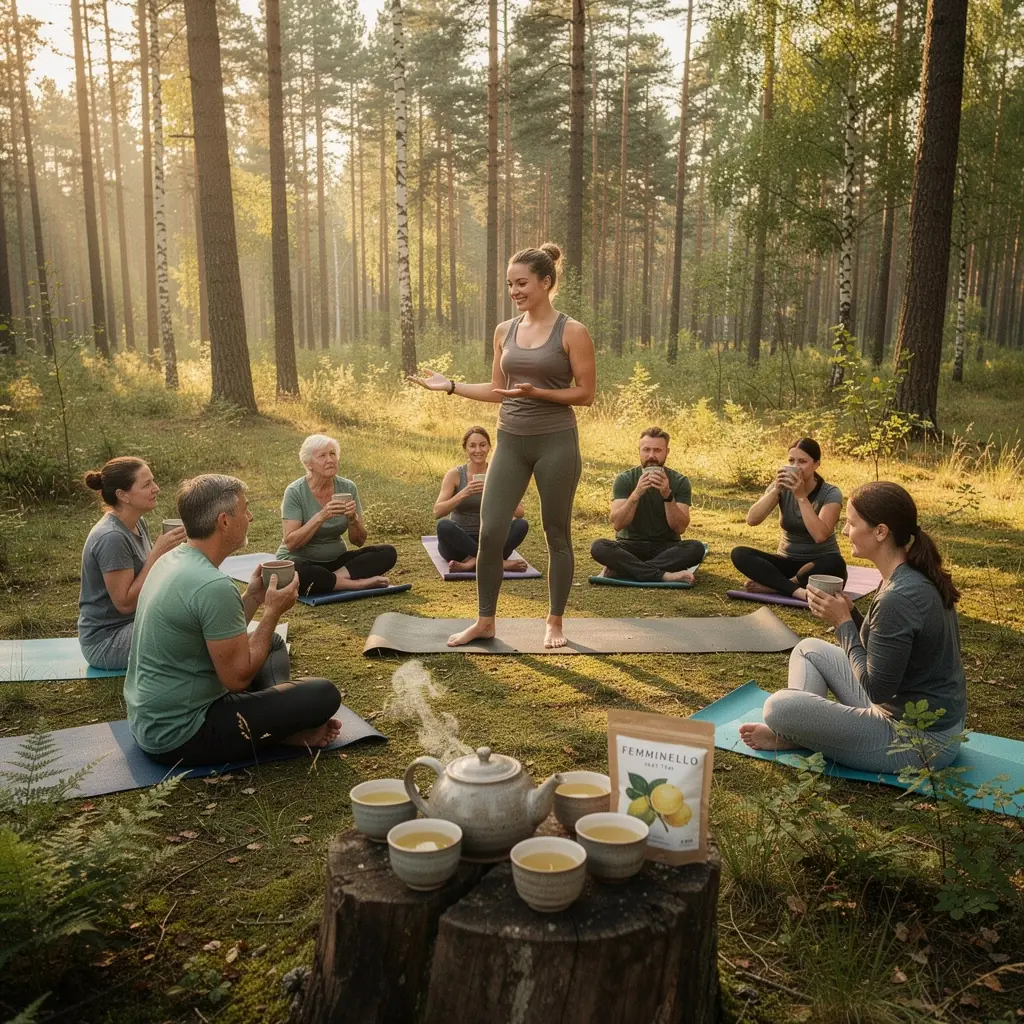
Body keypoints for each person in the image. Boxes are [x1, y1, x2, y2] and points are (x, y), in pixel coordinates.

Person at [409, 242, 596, 648]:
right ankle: (485, 621)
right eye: (510, 284)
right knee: (491, 533)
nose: (514, 291)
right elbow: (499, 391)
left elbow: (586, 394)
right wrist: (452, 386)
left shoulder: (573, 331)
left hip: (556, 442)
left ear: (546, 282)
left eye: (522, 283)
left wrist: (540, 393)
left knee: (555, 532)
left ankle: (555, 622)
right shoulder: (505, 331)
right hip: (510, 441)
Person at [739, 482, 967, 773]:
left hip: (917, 740)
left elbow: (877, 690)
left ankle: (797, 733)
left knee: (778, 708)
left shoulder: (899, 595)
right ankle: (799, 733)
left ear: (881, 532)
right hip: (913, 713)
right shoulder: (907, 573)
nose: (845, 531)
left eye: (850, 523)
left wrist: (842, 623)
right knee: (807, 650)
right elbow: (888, 646)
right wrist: (852, 612)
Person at [124, 474, 342, 767]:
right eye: (246, 509)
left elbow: (211, 629)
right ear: (224, 521)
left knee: (273, 643)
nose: (250, 517)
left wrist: (252, 597)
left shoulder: (172, 559)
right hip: (183, 735)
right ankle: (285, 726)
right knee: (325, 694)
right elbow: (237, 679)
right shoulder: (212, 585)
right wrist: (272, 612)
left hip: (148, 722)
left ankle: (283, 722)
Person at [78, 457, 185, 670]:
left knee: (191, 616)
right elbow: (125, 604)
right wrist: (157, 554)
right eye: (146, 485)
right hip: (108, 641)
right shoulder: (112, 537)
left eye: (153, 481)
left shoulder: (137, 523)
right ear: (122, 495)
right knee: (189, 632)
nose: (156, 488)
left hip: (135, 624)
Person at [277, 434, 397, 597]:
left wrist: (353, 519)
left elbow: (359, 541)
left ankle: (330, 581)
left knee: (387, 552)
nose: (330, 459)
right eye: (322, 455)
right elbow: (291, 543)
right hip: (301, 561)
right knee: (299, 572)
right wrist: (322, 516)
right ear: (308, 464)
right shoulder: (295, 492)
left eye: (332, 454)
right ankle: (357, 584)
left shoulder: (348, 487)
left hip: (337, 564)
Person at [731, 438, 846, 601]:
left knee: (836, 563)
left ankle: (777, 586)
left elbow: (820, 535)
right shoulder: (781, 487)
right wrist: (776, 489)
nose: (795, 466)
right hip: (785, 562)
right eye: (791, 461)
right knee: (739, 554)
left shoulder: (830, 493)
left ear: (816, 464)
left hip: (817, 566)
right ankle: (794, 589)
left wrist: (801, 497)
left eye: (802, 461)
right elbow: (752, 520)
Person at [590, 427, 706, 583]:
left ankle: (624, 571)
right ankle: (663, 575)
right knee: (599, 547)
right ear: (639, 451)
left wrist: (667, 494)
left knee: (696, 549)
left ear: (667, 452)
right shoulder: (625, 479)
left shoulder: (680, 481)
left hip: (666, 548)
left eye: (657, 450)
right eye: (646, 450)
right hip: (630, 547)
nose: (651, 456)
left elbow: (679, 528)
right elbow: (618, 524)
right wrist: (636, 494)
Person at [433, 425, 529, 573]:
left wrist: (498, 493)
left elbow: (520, 513)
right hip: (459, 545)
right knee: (444, 526)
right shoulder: (456, 475)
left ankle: (473, 562)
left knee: (521, 525)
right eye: (472, 446)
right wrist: (464, 493)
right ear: (465, 449)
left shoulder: (500, 475)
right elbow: (437, 512)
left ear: (490, 447)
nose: (478, 450)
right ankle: (499, 563)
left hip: (490, 540)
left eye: (483, 445)